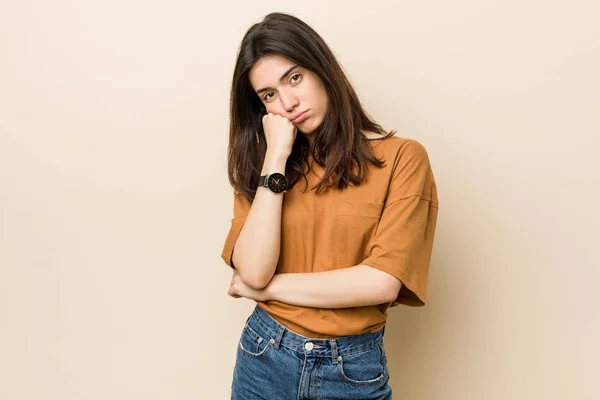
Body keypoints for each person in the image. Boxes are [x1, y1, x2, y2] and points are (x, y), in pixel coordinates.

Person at [221, 12, 439, 400]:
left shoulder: (402, 158)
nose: (287, 102)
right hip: (264, 355)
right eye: (268, 95)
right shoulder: (265, 165)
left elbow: (381, 282)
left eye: (294, 77)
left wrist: (269, 288)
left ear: (322, 69)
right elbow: (252, 271)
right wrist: (275, 158)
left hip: (352, 368)